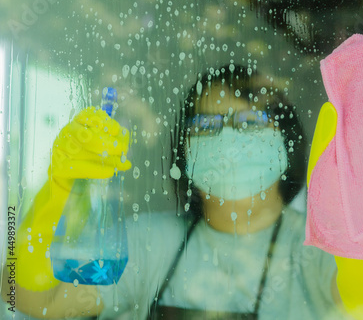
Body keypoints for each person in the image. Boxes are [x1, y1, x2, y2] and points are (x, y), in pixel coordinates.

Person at [2, 64, 344, 319]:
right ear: (184, 153)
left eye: (250, 122)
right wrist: (60, 189)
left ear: (285, 141)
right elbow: (21, 294)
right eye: (207, 125)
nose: (228, 137)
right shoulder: (146, 243)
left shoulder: (325, 248)